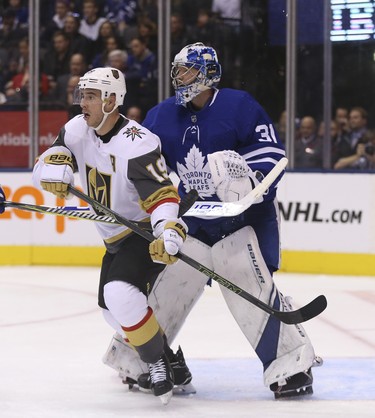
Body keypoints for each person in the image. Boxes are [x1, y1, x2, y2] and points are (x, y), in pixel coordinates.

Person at [104, 42, 320, 399]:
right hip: (190, 223)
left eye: (186, 70)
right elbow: (142, 163)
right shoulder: (160, 115)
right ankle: (146, 360)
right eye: (177, 70)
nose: (179, 77)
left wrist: (249, 180)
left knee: (250, 290)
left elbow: (270, 153)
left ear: (208, 73)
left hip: (240, 221)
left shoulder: (239, 106)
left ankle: (292, 366)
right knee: (167, 289)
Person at [31, 67, 190, 405]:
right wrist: (52, 171)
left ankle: (157, 362)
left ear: (112, 100)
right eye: (82, 96)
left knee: (119, 294)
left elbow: (163, 194)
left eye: (90, 97)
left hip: (141, 232)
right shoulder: (77, 130)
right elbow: (43, 164)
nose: (82, 103)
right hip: (114, 239)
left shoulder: (138, 143)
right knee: (113, 312)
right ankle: (173, 360)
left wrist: (167, 231)